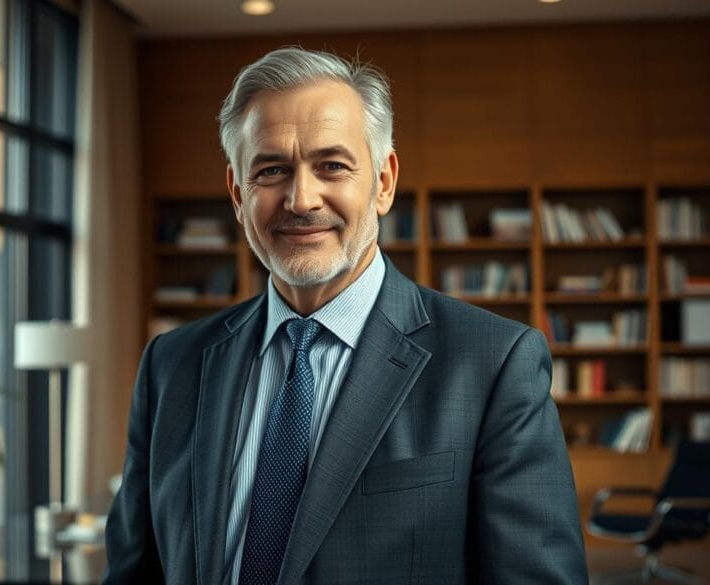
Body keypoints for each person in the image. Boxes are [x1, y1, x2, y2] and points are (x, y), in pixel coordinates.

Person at [103, 47, 588, 585]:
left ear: (383, 182)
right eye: (271, 170)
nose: (301, 199)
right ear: (238, 195)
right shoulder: (172, 365)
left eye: (331, 165)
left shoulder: (494, 365)